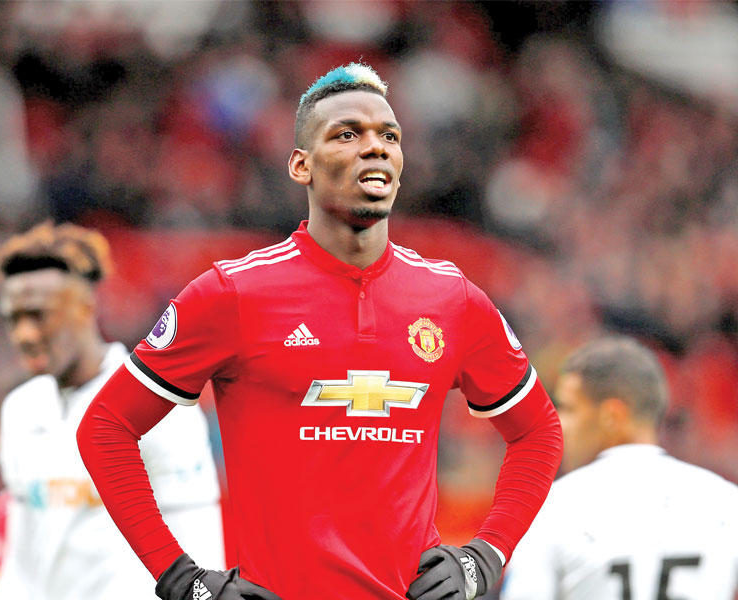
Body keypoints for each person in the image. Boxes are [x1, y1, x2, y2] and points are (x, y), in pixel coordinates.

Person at [77, 62, 563, 600]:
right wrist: (181, 579)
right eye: (347, 134)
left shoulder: (452, 299)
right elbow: (105, 427)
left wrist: (485, 556)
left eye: (389, 136)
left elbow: (539, 432)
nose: (374, 147)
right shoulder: (233, 294)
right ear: (301, 165)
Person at [0, 222, 224, 599]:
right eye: (13, 318)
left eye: (38, 315)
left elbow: (199, 540)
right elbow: (23, 554)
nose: (24, 334)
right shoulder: (20, 409)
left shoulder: (156, 405)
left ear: (85, 308)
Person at [500, 336, 738, 600]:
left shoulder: (552, 507)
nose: (558, 423)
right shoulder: (725, 500)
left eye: (568, 408)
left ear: (613, 416)